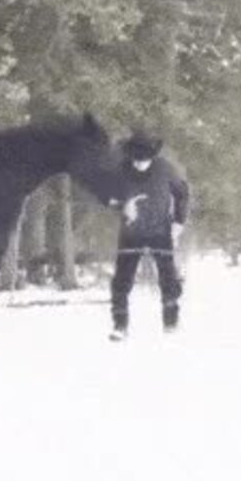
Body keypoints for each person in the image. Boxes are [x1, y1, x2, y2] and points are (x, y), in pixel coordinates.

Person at [107, 129, 190, 341]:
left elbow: (182, 193)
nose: (140, 163)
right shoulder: (121, 170)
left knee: (168, 277)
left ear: (152, 156)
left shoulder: (166, 169)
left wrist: (179, 222)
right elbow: (108, 197)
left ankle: (171, 321)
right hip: (130, 233)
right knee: (121, 281)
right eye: (136, 159)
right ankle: (120, 324)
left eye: (144, 159)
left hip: (161, 230)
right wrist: (123, 206)